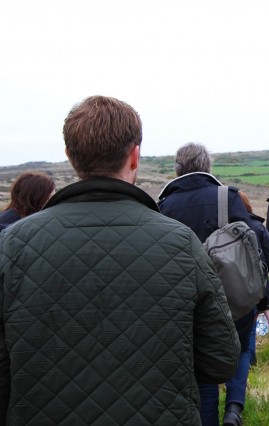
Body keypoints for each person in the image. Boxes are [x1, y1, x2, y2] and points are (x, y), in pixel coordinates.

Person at [0, 96, 240, 425]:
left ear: (70, 156)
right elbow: (222, 360)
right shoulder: (181, 243)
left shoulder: (12, 245)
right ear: (135, 155)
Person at [158, 142, 269, 426]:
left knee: (202, 370)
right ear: (208, 166)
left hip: (187, 300)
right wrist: (263, 300)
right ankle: (234, 409)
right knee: (242, 348)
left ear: (178, 169)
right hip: (231, 296)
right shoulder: (227, 197)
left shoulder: (162, 207)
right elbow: (252, 253)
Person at [238, 191, 269, 365]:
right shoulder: (257, 227)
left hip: (230, 286)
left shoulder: (222, 227)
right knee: (250, 327)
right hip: (255, 286)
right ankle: (249, 361)